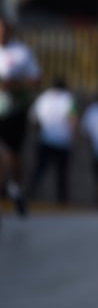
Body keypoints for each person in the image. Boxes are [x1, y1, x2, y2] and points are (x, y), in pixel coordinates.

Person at [0, 16, 41, 217]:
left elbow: (35, 80)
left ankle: (15, 188)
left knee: (13, 153)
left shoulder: (22, 52)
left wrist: (13, 84)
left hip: (14, 110)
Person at [27, 76, 78, 206]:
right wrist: (73, 137)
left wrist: (40, 132)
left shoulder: (43, 97)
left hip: (46, 140)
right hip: (63, 141)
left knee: (40, 170)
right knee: (62, 174)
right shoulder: (68, 98)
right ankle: (62, 201)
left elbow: (33, 118)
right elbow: (72, 119)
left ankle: (30, 196)